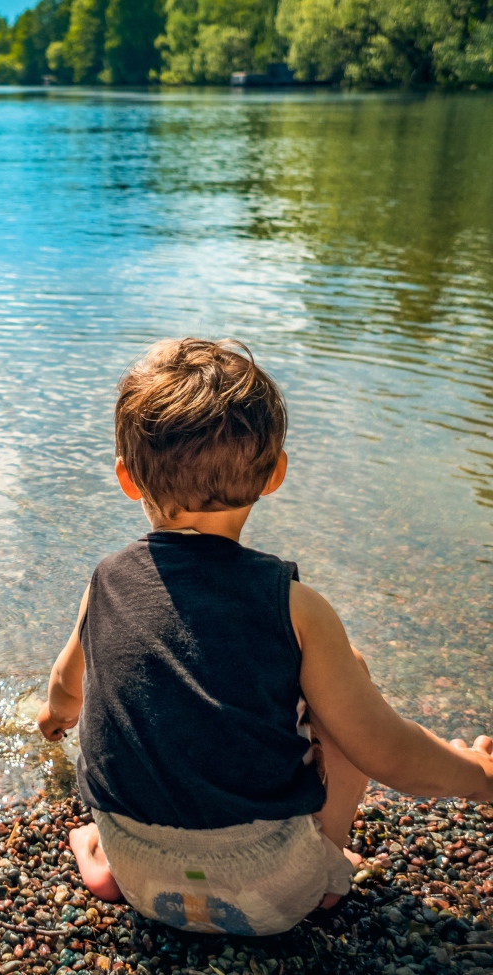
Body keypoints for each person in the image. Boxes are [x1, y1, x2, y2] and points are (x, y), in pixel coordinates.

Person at [37, 338, 493, 936]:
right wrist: (479, 776)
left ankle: (101, 861)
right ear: (275, 474)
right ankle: (329, 867)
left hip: (141, 877)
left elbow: (67, 686)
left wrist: (53, 720)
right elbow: (389, 755)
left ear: (127, 479)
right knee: (343, 667)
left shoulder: (105, 584)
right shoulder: (295, 606)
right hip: (275, 896)